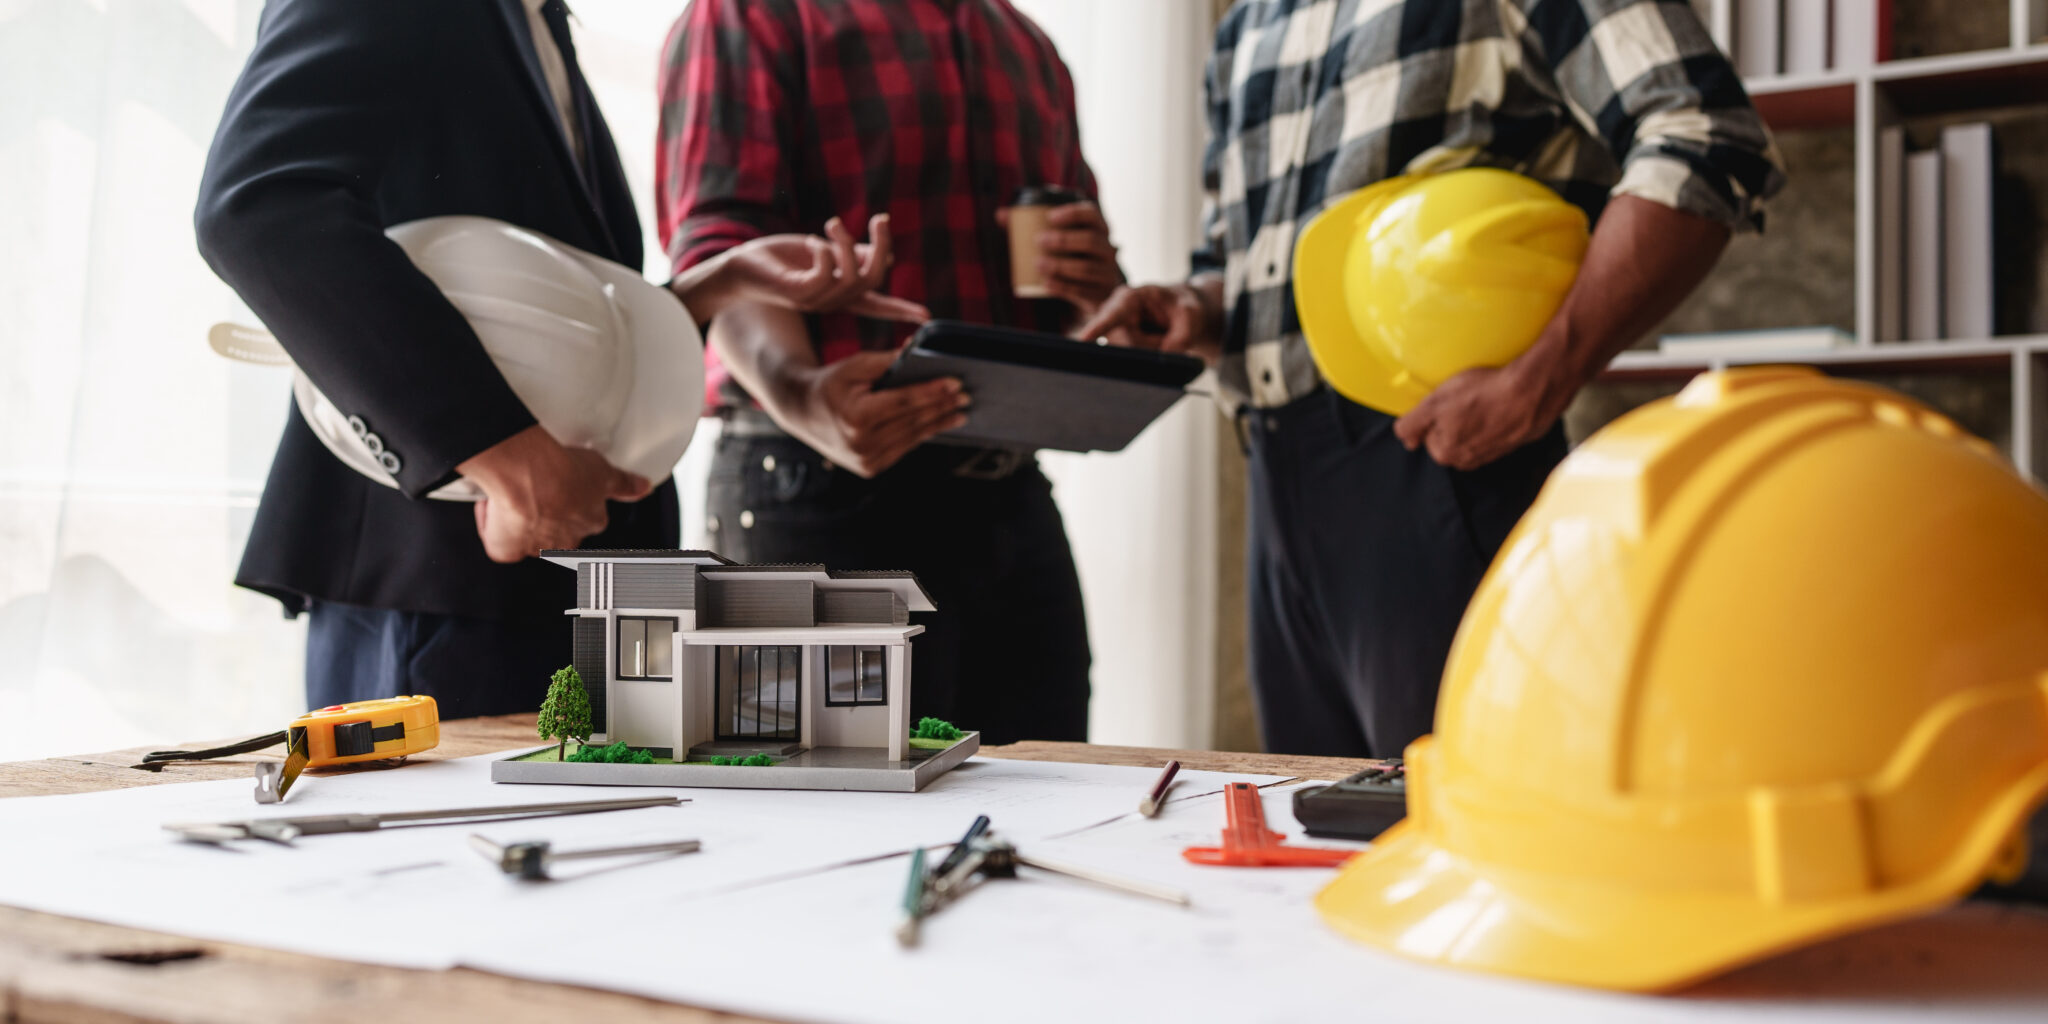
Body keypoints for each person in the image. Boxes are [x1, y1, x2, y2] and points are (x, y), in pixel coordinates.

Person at [1081, 0, 1786, 758]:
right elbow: (1236, 259)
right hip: (1276, 480)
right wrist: (1196, 306)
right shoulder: (1245, 25)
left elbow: (1703, 132)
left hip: (1446, 464)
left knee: (1471, 830)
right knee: (1308, 846)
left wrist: (1543, 378)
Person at [195, 0, 919, 717]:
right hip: (441, 583)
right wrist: (510, 463)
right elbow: (260, 207)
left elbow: (536, 318)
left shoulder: (532, 19)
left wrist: (720, 285)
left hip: (545, 580)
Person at [656, 0, 1125, 745]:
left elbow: (1068, 294)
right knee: (831, 834)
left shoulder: (1028, 47)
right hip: (813, 494)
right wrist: (801, 392)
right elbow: (718, 247)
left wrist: (1099, 285)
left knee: (1038, 823)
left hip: (1010, 498)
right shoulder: (749, 15)